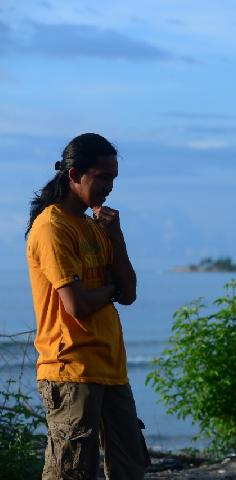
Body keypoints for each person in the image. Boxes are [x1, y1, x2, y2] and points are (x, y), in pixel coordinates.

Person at [25, 133, 148, 479]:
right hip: (70, 368)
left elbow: (129, 292)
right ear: (74, 174)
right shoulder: (52, 227)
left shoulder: (97, 227)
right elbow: (76, 304)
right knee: (72, 471)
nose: (109, 187)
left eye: (113, 178)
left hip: (110, 368)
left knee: (130, 468)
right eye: (103, 177)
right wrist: (110, 289)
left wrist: (116, 236)